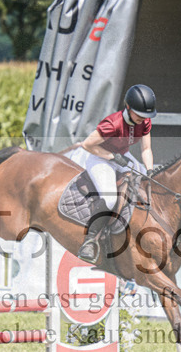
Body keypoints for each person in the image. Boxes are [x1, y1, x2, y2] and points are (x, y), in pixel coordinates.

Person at [66, 84, 156, 264]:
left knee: (145, 187)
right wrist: (111, 156)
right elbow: (87, 145)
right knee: (109, 199)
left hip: (122, 156)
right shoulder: (112, 124)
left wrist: (150, 171)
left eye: (146, 116)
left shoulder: (145, 121)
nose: (143, 119)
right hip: (100, 158)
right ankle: (90, 240)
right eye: (139, 114)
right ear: (128, 108)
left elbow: (146, 149)